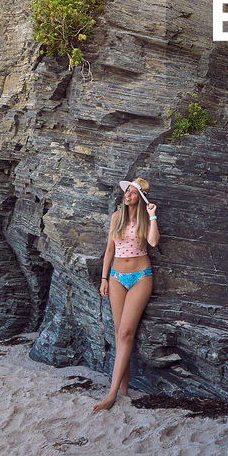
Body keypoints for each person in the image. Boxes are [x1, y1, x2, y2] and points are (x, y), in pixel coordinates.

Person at [93, 177, 159, 413]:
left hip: (141, 276)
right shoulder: (116, 217)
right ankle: (122, 391)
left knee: (125, 332)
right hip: (116, 277)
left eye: (132, 192)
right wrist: (103, 279)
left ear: (139, 197)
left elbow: (152, 241)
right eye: (127, 191)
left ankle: (111, 395)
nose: (127, 194)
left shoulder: (144, 218)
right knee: (121, 334)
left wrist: (152, 215)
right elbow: (109, 250)